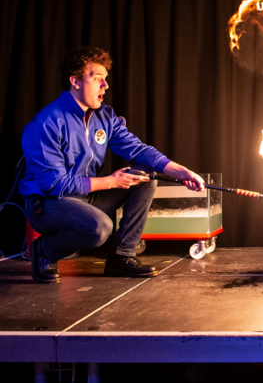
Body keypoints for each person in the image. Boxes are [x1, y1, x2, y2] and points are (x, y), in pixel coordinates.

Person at [20, 46, 205, 284]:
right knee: (100, 228)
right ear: (75, 81)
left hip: (85, 196)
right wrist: (110, 182)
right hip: (47, 204)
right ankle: (44, 251)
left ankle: (121, 257)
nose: (105, 86)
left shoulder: (104, 116)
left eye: (105, 79)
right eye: (98, 79)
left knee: (145, 176)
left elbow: (138, 150)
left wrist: (181, 171)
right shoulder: (46, 123)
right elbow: (54, 185)